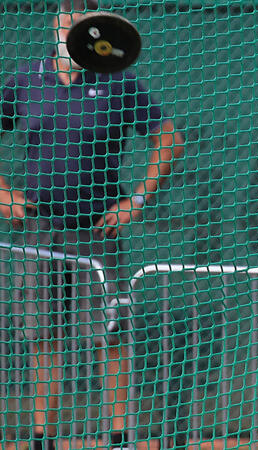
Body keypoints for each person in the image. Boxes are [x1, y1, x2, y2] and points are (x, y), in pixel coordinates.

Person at [0, 1, 185, 449]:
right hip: (38, 232)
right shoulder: (25, 80)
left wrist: (136, 200)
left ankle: (119, 439)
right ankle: (43, 439)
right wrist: (3, 194)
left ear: (96, 27)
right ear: (54, 24)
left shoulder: (119, 80)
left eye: (82, 18)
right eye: (66, 16)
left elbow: (169, 138)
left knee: (111, 335)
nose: (72, 25)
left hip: (99, 231)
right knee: (41, 336)